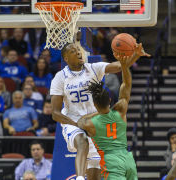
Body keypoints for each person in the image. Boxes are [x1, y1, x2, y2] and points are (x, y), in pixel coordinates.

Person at [51, 42, 148, 180]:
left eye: (78, 49)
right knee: (82, 140)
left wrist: (135, 55)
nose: (78, 52)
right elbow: (55, 113)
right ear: (66, 58)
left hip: (94, 122)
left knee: (95, 172)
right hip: (72, 122)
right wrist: (75, 124)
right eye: (73, 51)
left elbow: (121, 66)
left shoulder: (93, 68)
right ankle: (79, 177)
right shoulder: (60, 77)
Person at [77, 51, 139, 180]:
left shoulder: (91, 124)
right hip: (127, 159)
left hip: (111, 162)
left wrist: (96, 112)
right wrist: (125, 66)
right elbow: (126, 85)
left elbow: (80, 121)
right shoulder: (120, 111)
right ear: (110, 100)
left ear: (94, 104)